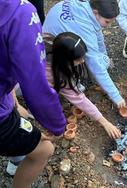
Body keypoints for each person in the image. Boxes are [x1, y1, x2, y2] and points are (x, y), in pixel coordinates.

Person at [0, 0, 66, 187]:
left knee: (19, 116)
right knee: (44, 149)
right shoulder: (20, 11)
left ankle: (15, 159)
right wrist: (57, 125)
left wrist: (13, 99)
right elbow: (35, 85)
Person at [43, 0, 127, 109]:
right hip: (51, 51)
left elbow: (98, 34)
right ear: (96, 12)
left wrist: (104, 55)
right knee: (93, 63)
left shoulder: (83, 6)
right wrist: (116, 96)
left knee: (99, 59)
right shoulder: (84, 30)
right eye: (107, 22)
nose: (109, 25)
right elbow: (97, 67)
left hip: (57, 41)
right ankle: (70, 81)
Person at [45, 32, 121, 139]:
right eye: (77, 59)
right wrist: (104, 122)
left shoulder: (57, 47)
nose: (82, 61)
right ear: (64, 60)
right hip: (26, 85)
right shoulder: (48, 73)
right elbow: (78, 98)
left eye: (82, 57)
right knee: (47, 98)